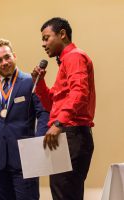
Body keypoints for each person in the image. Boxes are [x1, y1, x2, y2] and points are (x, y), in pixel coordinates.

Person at [32, 17, 95, 200]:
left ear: (62, 34)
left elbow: (80, 92)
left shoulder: (74, 56)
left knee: (64, 193)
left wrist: (59, 123)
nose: (43, 44)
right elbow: (52, 104)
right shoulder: (66, 61)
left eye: (46, 38)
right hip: (67, 132)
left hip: (71, 133)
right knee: (63, 193)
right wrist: (40, 82)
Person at [0, 38, 49, 200]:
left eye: (7, 57)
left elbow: (44, 113)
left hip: (25, 160)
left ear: (14, 56)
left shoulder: (31, 82)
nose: (4, 62)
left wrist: (38, 145)